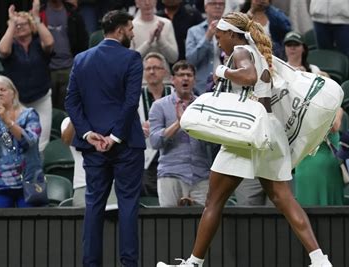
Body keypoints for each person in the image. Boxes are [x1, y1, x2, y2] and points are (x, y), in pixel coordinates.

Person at [157, 12, 332, 267]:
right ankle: (320, 260)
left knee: (213, 201)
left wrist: (222, 71)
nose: (218, 42)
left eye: (219, 36)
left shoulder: (240, 51)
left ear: (230, 33)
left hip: (245, 134)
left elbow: (248, 76)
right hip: (269, 131)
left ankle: (193, 264)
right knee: (284, 198)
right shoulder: (257, 52)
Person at [64, 10, 145, 266]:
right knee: (129, 204)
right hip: (126, 144)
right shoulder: (132, 58)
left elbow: (71, 102)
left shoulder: (81, 59)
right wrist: (115, 136)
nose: (132, 33)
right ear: (120, 30)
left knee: (94, 205)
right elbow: (132, 102)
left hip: (93, 146)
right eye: (130, 28)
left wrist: (89, 134)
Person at [149, 61, 212, 206]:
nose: (185, 78)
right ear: (172, 80)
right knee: (170, 223)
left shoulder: (204, 106)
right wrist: (179, 123)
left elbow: (212, 142)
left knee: (201, 222)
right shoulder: (159, 106)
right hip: (170, 173)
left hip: (200, 175)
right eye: (181, 75)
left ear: (194, 80)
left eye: (189, 75)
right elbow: (154, 142)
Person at [0, 0, 54, 153]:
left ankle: (39, 174)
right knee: (18, 140)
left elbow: (49, 43)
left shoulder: (38, 43)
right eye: (17, 25)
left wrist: (36, 17)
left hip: (41, 98)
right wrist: (11, 24)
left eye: (23, 24)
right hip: (18, 101)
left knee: (41, 143)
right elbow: (2, 50)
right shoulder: (11, 46)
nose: (19, 27)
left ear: (31, 26)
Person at [0, 75, 43, 208]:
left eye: (2, 89)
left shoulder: (29, 115)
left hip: (28, 182)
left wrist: (7, 120)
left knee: (33, 226)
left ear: (13, 93)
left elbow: (30, 142)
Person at [39, 0, 88, 111]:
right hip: (46, 70)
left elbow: (83, 43)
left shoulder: (73, 14)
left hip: (69, 67)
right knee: (47, 110)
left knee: (68, 111)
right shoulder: (38, 14)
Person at [60, 117, 118, 207]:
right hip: (82, 185)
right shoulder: (68, 121)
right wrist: (76, 114)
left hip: (111, 184)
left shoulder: (110, 117)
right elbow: (67, 140)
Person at [139, 52, 174, 197]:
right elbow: (124, 123)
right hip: (146, 156)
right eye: (148, 69)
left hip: (172, 153)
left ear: (164, 71)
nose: (152, 72)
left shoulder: (174, 93)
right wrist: (138, 129)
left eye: (156, 68)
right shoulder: (135, 96)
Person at [293, 108, 345, 206]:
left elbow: (335, 127)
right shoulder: (299, 107)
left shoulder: (298, 107)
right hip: (308, 162)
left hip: (327, 163)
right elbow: (335, 126)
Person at [185, 0, 227, 95]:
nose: (217, 6)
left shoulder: (231, 31)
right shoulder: (193, 31)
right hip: (201, 88)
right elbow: (190, 61)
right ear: (205, 7)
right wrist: (207, 37)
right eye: (213, 3)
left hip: (226, 85)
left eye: (221, 4)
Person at [130, 0, 179, 64]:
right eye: (143, 0)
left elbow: (174, 58)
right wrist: (148, 42)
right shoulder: (131, 26)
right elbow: (130, 60)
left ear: (155, 1)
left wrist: (160, 39)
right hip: (140, 71)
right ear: (136, 3)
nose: (147, 3)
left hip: (163, 71)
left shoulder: (166, 23)